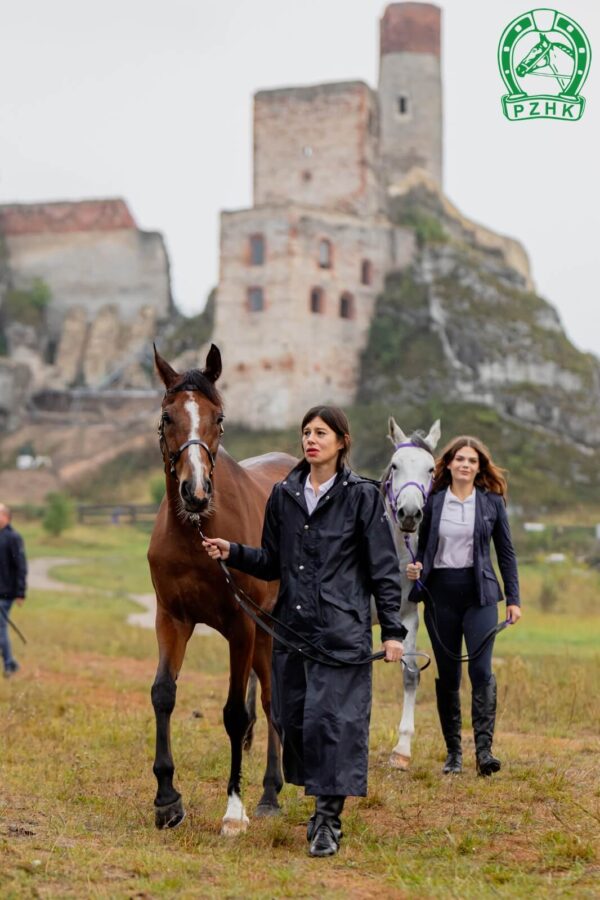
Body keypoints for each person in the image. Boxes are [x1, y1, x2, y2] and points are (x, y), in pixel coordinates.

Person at [203, 406, 406, 857]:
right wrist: (232, 550)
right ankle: (320, 800)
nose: (311, 439)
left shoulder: (362, 497)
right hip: (292, 631)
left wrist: (392, 631)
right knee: (291, 721)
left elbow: (384, 571)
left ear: (342, 442)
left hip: (342, 632)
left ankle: (327, 821)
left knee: (331, 724)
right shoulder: (284, 495)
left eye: (321, 432)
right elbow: (272, 562)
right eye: (306, 432)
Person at [406, 436, 521, 777]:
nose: (466, 465)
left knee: (481, 671)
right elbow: (422, 547)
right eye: (460, 459)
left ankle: (484, 753)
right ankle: (453, 753)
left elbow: (506, 553)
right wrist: (416, 570)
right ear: (450, 464)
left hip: (480, 596)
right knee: (449, 676)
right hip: (440, 595)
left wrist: (514, 599)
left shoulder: (491, 503)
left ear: (479, 467)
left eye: (472, 460)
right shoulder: (433, 501)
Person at [0, 503, 27, 678]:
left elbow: (21, 566)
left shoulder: (13, 537)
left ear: (6, 517)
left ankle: (9, 664)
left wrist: (20, 592)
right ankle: (10, 662)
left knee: (0, 628)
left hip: (6, 593)